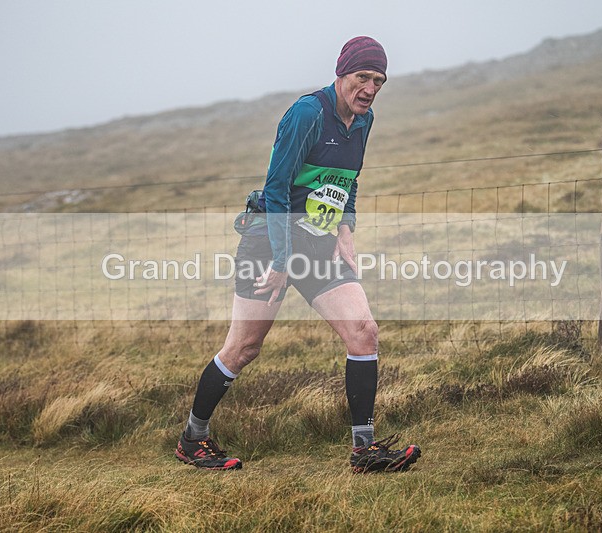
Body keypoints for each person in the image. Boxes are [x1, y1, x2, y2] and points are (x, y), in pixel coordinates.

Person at [175, 36, 421, 473]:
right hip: (269, 240)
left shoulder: (363, 121)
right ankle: (193, 439)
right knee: (244, 347)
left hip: (319, 242)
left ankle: (364, 450)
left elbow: (349, 180)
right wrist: (283, 261)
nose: (369, 88)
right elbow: (276, 190)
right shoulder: (308, 113)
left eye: (378, 81)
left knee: (363, 331)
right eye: (362, 77)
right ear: (341, 73)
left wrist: (346, 228)